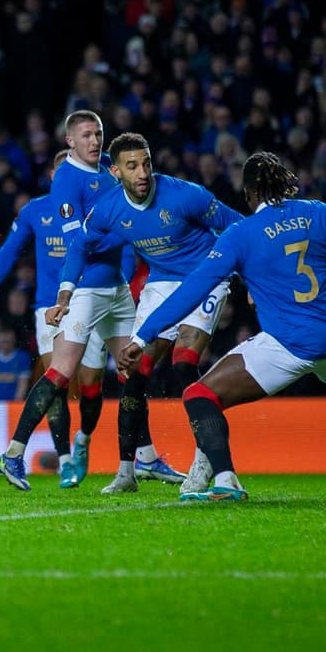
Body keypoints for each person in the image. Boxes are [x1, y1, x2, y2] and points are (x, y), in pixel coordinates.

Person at [118, 152, 326, 502]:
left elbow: (191, 291)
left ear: (248, 194)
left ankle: (226, 481)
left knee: (199, 395)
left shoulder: (240, 234)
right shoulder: (318, 213)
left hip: (288, 345)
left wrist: (143, 335)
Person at [0, 111, 183, 494]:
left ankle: (144, 457)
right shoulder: (67, 178)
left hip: (115, 289)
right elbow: (78, 239)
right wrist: (129, 230)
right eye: (86, 135)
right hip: (87, 289)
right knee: (62, 372)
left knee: (134, 368)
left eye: (98, 133)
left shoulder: (109, 171)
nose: (94, 141)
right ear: (70, 142)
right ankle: (12, 453)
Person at [49, 132, 244, 494]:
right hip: (161, 285)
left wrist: (253, 280)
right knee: (132, 371)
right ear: (115, 172)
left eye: (147, 163)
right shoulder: (109, 209)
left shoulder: (186, 195)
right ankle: (127, 471)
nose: (142, 173)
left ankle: (207, 460)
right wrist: (65, 293)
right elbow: (79, 244)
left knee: (183, 364)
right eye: (132, 166)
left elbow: (240, 227)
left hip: (206, 277)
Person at [0, 149, 112, 489]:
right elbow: (9, 250)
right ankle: (64, 461)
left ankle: (83, 440)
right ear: (53, 176)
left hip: (91, 299)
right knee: (56, 379)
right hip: (49, 307)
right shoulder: (35, 211)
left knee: (90, 386)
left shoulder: (98, 210)